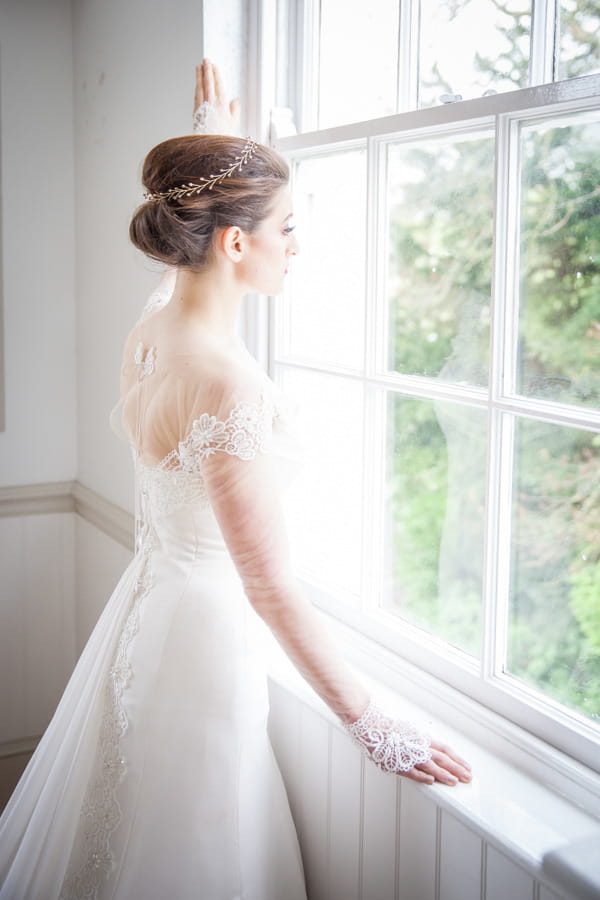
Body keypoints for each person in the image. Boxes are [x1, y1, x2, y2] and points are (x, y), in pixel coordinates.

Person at [0, 60, 471, 900]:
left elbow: (173, 272)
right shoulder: (227, 384)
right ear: (235, 241)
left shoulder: (153, 332)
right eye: (287, 227)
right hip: (202, 644)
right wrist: (372, 724)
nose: (297, 246)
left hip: (146, 613)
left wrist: (215, 141)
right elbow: (270, 587)